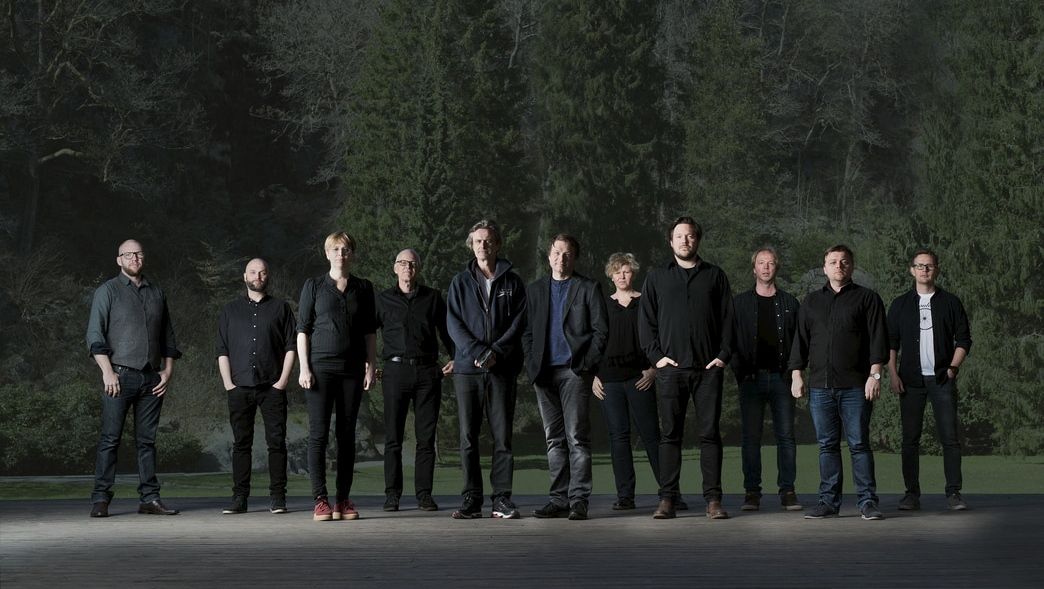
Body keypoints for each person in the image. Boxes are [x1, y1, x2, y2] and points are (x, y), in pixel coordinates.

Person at [638, 216, 734, 520]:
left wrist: (723, 355)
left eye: (690, 236)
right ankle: (667, 499)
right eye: (679, 236)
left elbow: (729, 319)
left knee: (710, 434)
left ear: (697, 240)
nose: (685, 240)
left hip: (708, 369)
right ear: (671, 241)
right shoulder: (656, 278)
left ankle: (713, 501)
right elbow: (646, 322)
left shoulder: (715, 276)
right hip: (671, 370)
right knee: (670, 435)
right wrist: (657, 358)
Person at [790, 244, 888, 520]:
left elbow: (878, 339)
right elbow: (800, 341)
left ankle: (867, 502)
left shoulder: (867, 299)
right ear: (825, 268)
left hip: (856, 385)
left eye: (844, 261)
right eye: (833, 262)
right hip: (820, 386)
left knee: (859, 444)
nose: (839, 266)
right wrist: (796, 374)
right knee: (827, 446)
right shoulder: (811, 301)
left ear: (851, 266)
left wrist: (875, 375)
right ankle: (828, 503)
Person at [86, 239, 182, 518]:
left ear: (143, 257)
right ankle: (101, 499)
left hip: (151, 379)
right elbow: (94, 334)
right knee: (110, 440)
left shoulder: (157, 292)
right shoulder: (107, 291)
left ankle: (149, 499)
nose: (134, 258)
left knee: (147, 442)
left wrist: (168, 371)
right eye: (128, 255)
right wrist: (107, 372)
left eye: (138, 254)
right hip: (118, 376)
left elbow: (168, 336)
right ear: (119, 260)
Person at [522, 234, 608, 521]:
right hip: (543, 374)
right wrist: (532, 365)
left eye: (568, 253)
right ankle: (558, 499)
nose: (562, 258)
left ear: (575, 257)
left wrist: (585, 365)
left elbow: (601, 331)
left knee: (577, 439)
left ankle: (578, 500)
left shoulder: (588, 288)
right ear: (549, 257)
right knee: (553, 440)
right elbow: (527, 332)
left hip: (574, 372)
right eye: (557, 253)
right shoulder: (535, 290)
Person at [446, 219, 527, 519]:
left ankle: (501, 499)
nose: (483, 245)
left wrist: (496, 352)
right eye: (478, 241)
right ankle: (471, 499)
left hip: (502, 369)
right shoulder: (460, 282)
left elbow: (519, 322)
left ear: (497, 244)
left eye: (488, 241)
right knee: (468, 437)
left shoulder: (513, 282)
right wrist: (479, 352)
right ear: (472, 245)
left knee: (502, 437)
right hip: (467, 370)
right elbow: (454, 324)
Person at [297, 232, 377, 522]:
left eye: (346, 249)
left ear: (352, 254)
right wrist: (304, 368)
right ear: (327, 253)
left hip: (352, 370)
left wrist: (371, 366)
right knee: (318, 435)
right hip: (320, 369)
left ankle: (343, 500)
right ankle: (320, 500)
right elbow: (302, 330)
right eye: (336, 249)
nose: (341, 254)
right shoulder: (314, 286)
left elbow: (370, 331)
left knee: (346, 435)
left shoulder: (363, 287)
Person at [887, 249, 972, 511]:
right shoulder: (900, 304)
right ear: (911, 270)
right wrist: (892, 374)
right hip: (910, 381)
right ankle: (911, 494)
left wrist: (953, 368)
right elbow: (891, 343)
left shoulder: (951, 302)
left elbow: (963, 340)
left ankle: (954, 493)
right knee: (910, 440)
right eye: (920, 266)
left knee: (950, 438)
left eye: (929, 266)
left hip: (941, 379)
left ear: (937, 270)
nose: (924, 270)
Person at [376, 248, 455, 512]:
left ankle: (424, 495)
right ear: (394, 268)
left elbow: (447, 331)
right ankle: (392, 495)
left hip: (427, 373)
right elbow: (366, 335)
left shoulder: (432, 298)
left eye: (412, 263)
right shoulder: (383, 299)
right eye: (402, 263)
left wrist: (456, 358)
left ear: (418, 268)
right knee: (393, 438)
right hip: (394, 372)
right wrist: (369, 364)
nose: (407, 267)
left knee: (426, 439)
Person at [216, 258, 296, 515]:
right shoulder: (230, 310)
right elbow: (222, 350)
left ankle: (278, 498)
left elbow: (291, 347)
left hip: (272, 387)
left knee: (277, 443)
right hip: (239, 387)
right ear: (245, 276)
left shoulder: (281, 308)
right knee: (241, 444)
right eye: (253, 272)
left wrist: (282, 382)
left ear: (267, 276)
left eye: (262, 272)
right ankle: (239, 498)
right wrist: (228, 384)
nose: (257, 276)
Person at [730, 247, 802, 512]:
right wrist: (740, 372)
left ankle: (788, 491)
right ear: (754, 269)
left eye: (770, 263)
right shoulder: (739, 303)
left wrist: (796, 373)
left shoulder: (790, 303)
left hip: (782, 378)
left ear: (776, 268)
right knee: (751, 438)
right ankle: (752, 493)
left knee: (786, 437)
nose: (766, 267)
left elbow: (799, 342)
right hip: (750, 378)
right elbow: (730, 340)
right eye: (761, 263)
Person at [592, 253, 662, 511]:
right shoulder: (602, 305)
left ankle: (670, 494)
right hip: (609, 380)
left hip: (639, 378)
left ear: (634, 273)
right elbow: (595, 342)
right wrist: (594, 376)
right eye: (617, 271)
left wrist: (654, 370)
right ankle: (625, 497)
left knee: (652, 436)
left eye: (626, 270)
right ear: (610, 275)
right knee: (618, 438)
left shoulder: (646, 302)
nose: (622, 275)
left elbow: (660, 337)